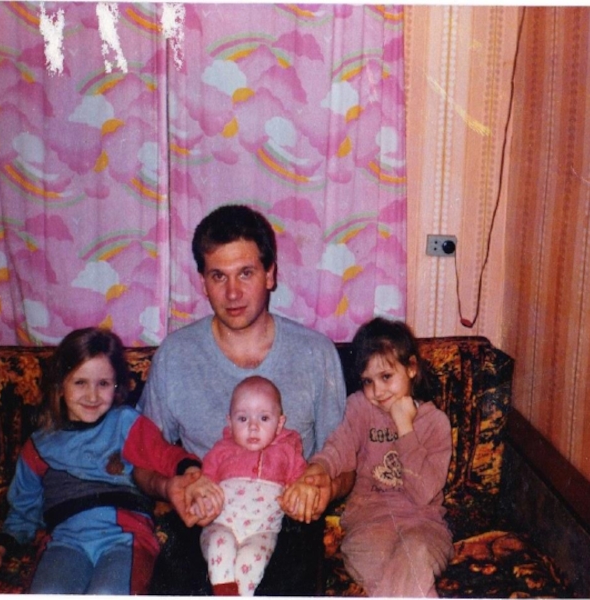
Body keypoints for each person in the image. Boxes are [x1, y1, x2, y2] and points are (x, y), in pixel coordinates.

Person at [135, 204, 353, 595]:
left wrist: (325, 488)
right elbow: (140, 461)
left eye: (246, 273)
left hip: (286, 517)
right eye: (218, 276)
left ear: (270, 275)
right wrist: (171, 488)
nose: (232, 293)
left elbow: (346, 462)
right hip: (207, 512)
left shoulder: (316, 353)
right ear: (203, 281)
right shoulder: (175, 355)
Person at [0, 327, 202, 594]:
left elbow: (163, 454)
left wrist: (190, 470)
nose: (92, 396)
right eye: (80, 383)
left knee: (107, 593)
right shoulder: (38, 446)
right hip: (64, 540)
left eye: (103, 384)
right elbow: (23, 511)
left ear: (116, 387)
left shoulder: (125, 423)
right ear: (60, 386)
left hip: (125, 536)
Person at [283, 317, 453, 597]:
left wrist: (405, 428)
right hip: (368, 527)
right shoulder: (359, 408)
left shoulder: (435, 423)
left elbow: (423, 494)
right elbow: (339, 447)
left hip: (424, 527)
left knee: (415, 554)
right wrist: (318, 469)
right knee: (403, 578)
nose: (378, 391)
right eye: (368, 381)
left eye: (386, 377)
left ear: (411, 367)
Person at [195, 376, 314, 596]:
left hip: (262, 531)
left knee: (251, 561)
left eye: (264, 418)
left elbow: (300, 484)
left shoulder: (288, 452)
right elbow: (204, 483)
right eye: (242, 418)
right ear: (230, 422)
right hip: (221, 524)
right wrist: (202, 501)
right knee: (221, 544)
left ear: (280, 423)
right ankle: (223, 592)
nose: (253, 427)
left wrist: (296, 500)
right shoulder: (221, 450)